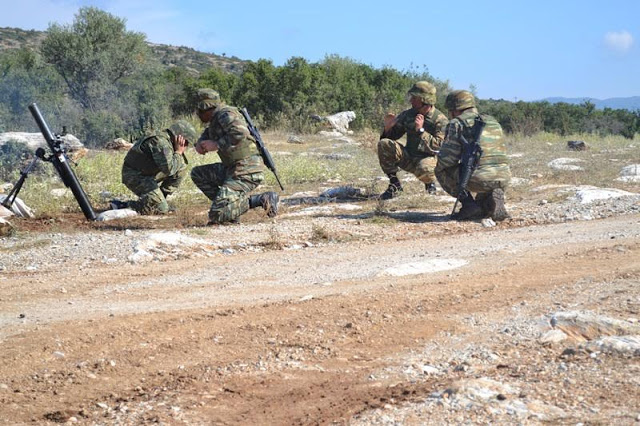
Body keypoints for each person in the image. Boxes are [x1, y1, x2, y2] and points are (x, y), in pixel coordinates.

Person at [191, 88, 279, 224]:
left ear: (207, 108)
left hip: (247, 169)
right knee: (198, 173)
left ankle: (260, 199)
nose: (198, 115)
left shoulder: (225, 114)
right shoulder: (215, 120)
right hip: (232, 168)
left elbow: (240, 133)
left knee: (216, 215)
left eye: (200, 111)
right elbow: (209, 132)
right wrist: (199, 144)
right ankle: (231, 210)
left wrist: (216, 144)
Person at [435, 90, 511, 221]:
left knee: (441, 170)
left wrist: (438, 157)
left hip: (478, 177)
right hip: (503, 177)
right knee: (483, 197)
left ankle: (468, 205)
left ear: (454, 109)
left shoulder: (456, 124)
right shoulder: (493, 121)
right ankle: (490, 200)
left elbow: (447, 160)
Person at [377, 81, 449, 200]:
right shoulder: (408, 114)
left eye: (414, 98)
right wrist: (388, 128)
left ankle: (430, 185)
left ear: (425, 100)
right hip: (409, 157)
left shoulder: (440, 120)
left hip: (428, 160)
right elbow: (390, 138)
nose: (411, 101)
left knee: (424, 168)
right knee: (384, 144)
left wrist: (421, 130)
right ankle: (394, 185)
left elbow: (440, 146)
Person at [112, 120, 197, 214]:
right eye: (186, 142)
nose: (186, 145)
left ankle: (159, 199)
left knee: (181, 166)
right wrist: (178, 152)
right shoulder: (160, 142)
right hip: (134, 175)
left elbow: (175, 167)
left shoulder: (168, 141)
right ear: (179, 137)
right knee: (161, 209)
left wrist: (178, 154)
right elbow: (169, 169)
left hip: (147, 173)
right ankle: (124, 205)